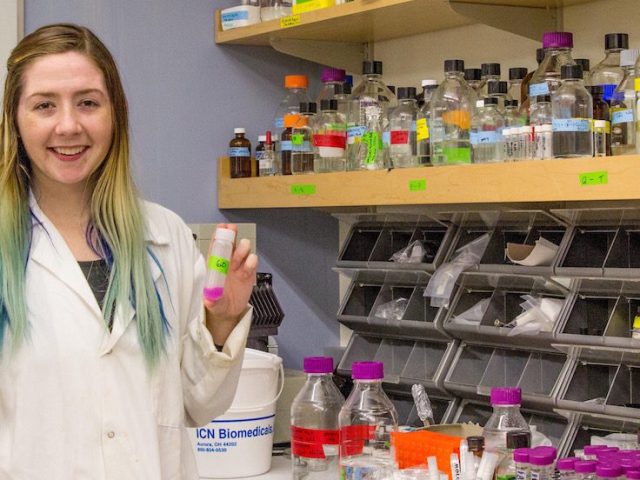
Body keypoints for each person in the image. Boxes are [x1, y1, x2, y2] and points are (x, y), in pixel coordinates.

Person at [0, 23, 258, 478]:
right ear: (15, 120)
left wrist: (220, 323)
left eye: (88, 102)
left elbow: (199, 406)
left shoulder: (165, 236)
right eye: (44, 105)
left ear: (114, 113)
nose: (68, 125)